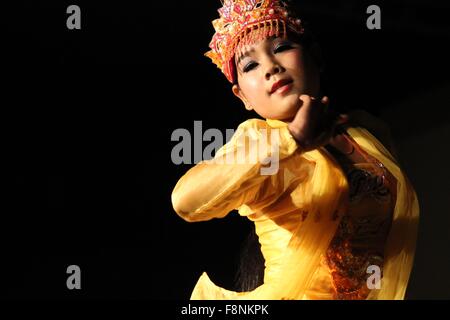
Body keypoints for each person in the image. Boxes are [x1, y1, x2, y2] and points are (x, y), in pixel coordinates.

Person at [171, 0, 419, 300]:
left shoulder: (367, 133)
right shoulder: (260, 141)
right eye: (250, 65)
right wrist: (292, 140)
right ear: (243, 97)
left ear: (314, 57)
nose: (271, 68)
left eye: (281, 47)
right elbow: (186, 202)